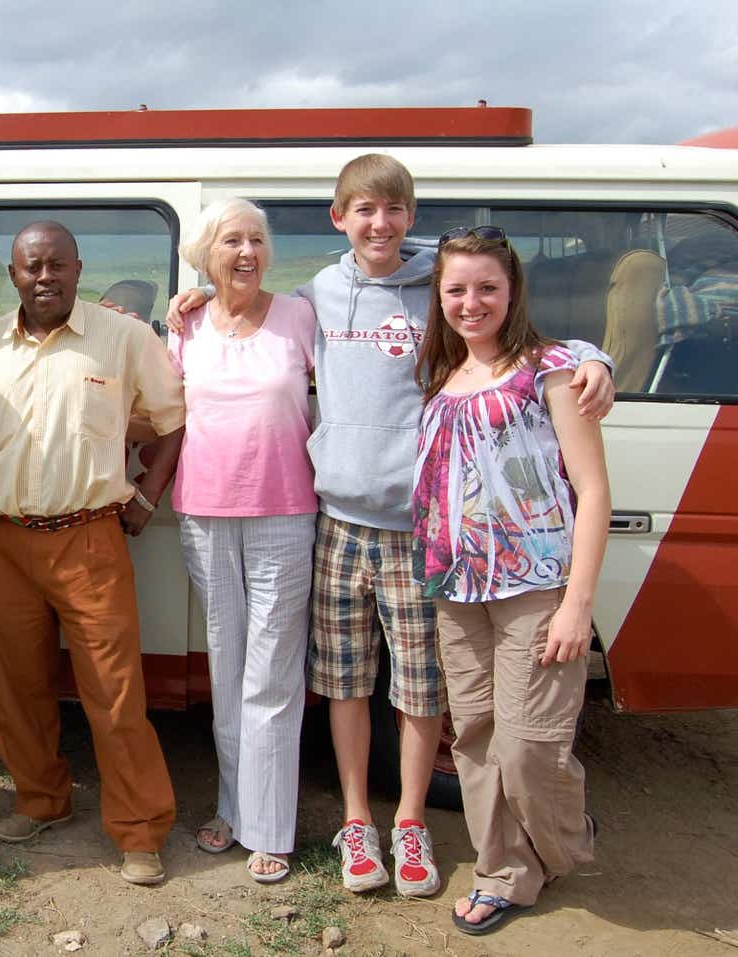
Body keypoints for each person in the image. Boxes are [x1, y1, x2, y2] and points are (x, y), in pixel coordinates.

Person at [166, 154, 614, 897]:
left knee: (418, 688)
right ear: (337, 219)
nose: (379, 224)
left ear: (410, 215)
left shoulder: (436, 290)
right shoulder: (314, 299)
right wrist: (174, 305)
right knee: (343, 681)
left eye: (393, 210)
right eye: (362, 211)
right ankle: (355, 821)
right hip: (337, 520)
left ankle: (408, 821)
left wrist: (591, 357)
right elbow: (234, 324)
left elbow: (504, 330)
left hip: (418, 528)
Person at [0, 221, 186, 886]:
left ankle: (138, 831)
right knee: (13, 685)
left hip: (92, 539)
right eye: (30, 267)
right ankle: (40, 799)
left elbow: (172, 421)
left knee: (115, 692)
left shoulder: (125, 338)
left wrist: (147, 497)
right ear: (12, 277)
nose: (44, 277)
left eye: (56, 265)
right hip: (8, 543)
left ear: (78, 269)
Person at [412, 227, 605, 935]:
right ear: (439, 296)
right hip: (457, 589)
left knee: (528, 744)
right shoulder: (440, 373)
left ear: (513, 289)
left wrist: (576, 605)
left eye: (487, 286)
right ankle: (505, 871)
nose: (472, 301)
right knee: (474, 739)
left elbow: (592, 490)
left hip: (535, 588)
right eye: (457, 288)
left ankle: (567, 837)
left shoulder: (551, 368)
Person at [169, 199, 316, 884]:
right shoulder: (185, 322)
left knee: (272, 670)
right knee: (226, 666)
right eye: (232, 240)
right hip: (204, 512)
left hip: (285, 510)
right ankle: (233, 806)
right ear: (207, 253)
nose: (247, 252)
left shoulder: (299, 315)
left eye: (257, 239)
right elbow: (163, 406)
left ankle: (271, 827)